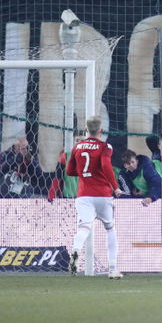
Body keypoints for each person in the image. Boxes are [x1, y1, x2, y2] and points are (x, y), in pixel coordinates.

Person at [66, 118, 123, 280]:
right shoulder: (105, 146)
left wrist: (85, 173)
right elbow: (105, 165)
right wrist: (115, 186)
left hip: (84, 194)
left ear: (86, 130)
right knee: (110, 228)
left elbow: (69, 171)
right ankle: (112, 269)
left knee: (84, 228)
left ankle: (76, 251)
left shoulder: (77, 147)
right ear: (101, 131)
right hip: (102, 194)